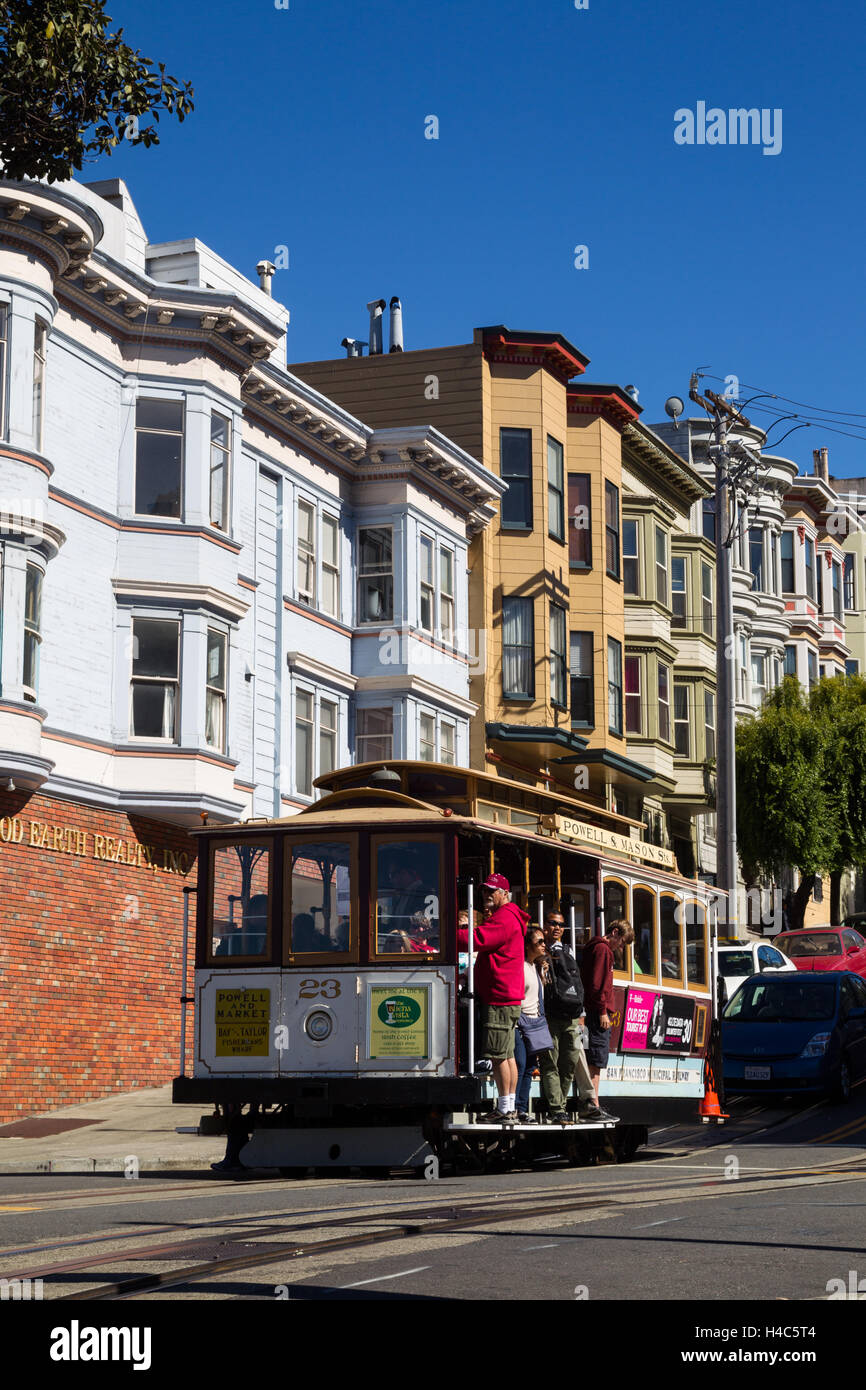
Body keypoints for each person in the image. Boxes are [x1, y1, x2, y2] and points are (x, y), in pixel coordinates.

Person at [457, 873, 528, 1123]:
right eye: (484, 891)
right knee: (506, 1055)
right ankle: (508, 1107)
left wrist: (443, 935)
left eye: (491, 891)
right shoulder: (509, 916)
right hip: (505, 996)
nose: (486, 895)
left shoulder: (505, 917)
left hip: (500, 997)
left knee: (499, 1055)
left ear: (504, 894)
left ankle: (506, 1109)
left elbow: (476, 939)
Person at [540, 912, 605, 1124]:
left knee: (568, 1063)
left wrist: (582, 1015)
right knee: (551, 1063)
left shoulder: (568, 951)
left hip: (571, 1016)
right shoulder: (539, 949)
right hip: (549, 1016)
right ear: (545, 925)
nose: (557, 927)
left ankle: (562, 1102)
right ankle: (557, 1108)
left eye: (561, 924)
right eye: (553, 923)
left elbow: (576, 984)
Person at [580, 918, 634, 1118]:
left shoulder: (594, 946)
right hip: (597, 1012)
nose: (621, 946)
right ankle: (593, 1104)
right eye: (622, 942)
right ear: (615, 933)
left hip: (593, 1010)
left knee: (594, 1057)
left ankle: (592, 1102)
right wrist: (603, 1011)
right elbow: (597, 984)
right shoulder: (603, 950)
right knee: (596, 1058)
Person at [514, 928, 550, 1122]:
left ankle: (521, 1109)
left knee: (529, 1067)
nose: (544, 944)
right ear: (528, 945)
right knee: (519, 1064)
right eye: (539, 941)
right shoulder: (519, 966)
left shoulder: (535, 967)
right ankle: (512, 1107)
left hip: (534, 1024)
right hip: (520, 1024)